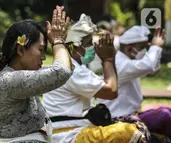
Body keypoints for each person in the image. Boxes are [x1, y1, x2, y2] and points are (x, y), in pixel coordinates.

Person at [42, 14, 149, 143]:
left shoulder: (72, 66)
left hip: (71, 130)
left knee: (129, 124)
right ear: (76, 46)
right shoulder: (72, 70)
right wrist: (108, 59)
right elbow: (111, 91)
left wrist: (109, 58)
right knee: (130, 132)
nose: (93, 48)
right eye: (89, 44)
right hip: (67, 135)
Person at [0, 6, 73, 143]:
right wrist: (58, 41)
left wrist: (63, 43)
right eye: (40, 50)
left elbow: (66, 70)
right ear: (21, 50)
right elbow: (61, 72)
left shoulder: (20, 74)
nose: (43, 57)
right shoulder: (9, 79)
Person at [98, 26, 171, 139]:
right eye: (143, 47)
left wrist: (156, 48)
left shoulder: (128, 62)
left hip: (133, 116)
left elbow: (153, 69)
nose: (146, 52)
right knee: (164, 115)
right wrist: (156, 47)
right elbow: (149, 65)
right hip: (119, 119)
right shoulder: (120, 64)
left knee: (168, 112)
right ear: (130, 49)